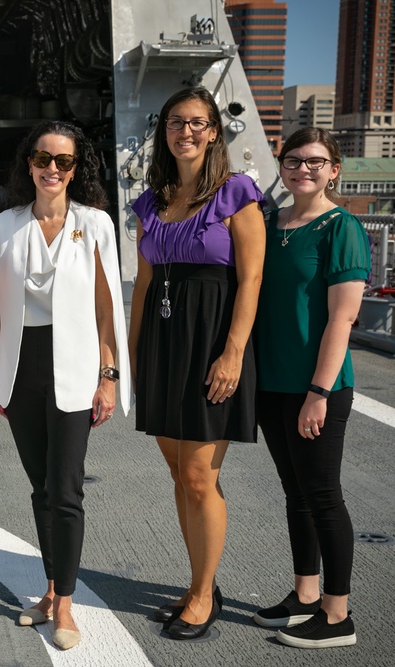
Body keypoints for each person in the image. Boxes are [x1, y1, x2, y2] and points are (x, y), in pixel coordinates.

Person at [0, 121, 130, 650]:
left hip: (77, 364)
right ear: (29, 163)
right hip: (22, 368)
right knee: (41, 486)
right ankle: (48, 589)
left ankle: (65, 605)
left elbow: (106, 307)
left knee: (65, 489)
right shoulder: (6, 224)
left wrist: (108, 376)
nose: (51, 168)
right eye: (43, 158)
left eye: (63, 161)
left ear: (75, 168)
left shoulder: (96, 224)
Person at [127, 86, 265, 640]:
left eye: (198, 123)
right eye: (176, 122)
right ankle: (196, 583)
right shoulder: (151, 200)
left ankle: (205, 595)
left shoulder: (237, 194)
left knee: (198, 476)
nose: (186, 131)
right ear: (165, 131)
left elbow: (251, 279)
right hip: (162, 344)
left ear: (214, 132)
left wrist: (233, 352)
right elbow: (141, 285)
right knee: (178, 474)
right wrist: (135, 356)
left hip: (211, 343)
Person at [252, 128, 368, 649]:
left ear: (334, 169)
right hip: (271, 383)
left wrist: (318, 393)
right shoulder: (270, 223)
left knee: (322, 496)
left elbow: (341, 320)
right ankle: (304, 596)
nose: (304, 169)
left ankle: (337, 614)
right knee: (295, 495)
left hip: (315, 387)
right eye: (293, 160)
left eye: (316, 162)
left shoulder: (340, 227)